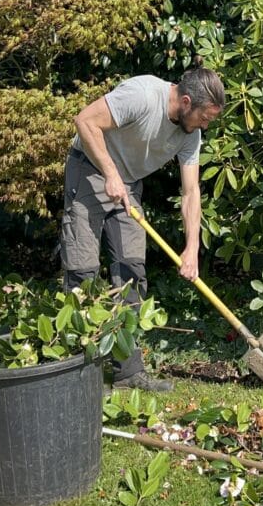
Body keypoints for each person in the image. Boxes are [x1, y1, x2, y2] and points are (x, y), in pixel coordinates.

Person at [61, 67, 225, 391]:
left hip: (128, 185)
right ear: (187, 101)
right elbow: (85, 120)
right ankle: (83, 376)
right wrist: (110, 173)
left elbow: (191, 193)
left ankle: (127, 373)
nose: (205, 126)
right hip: (90, 169)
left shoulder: (190, 135)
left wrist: (192, 248)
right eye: (204, 118)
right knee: (83, 273)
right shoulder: (142, 95)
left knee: (132, 271)